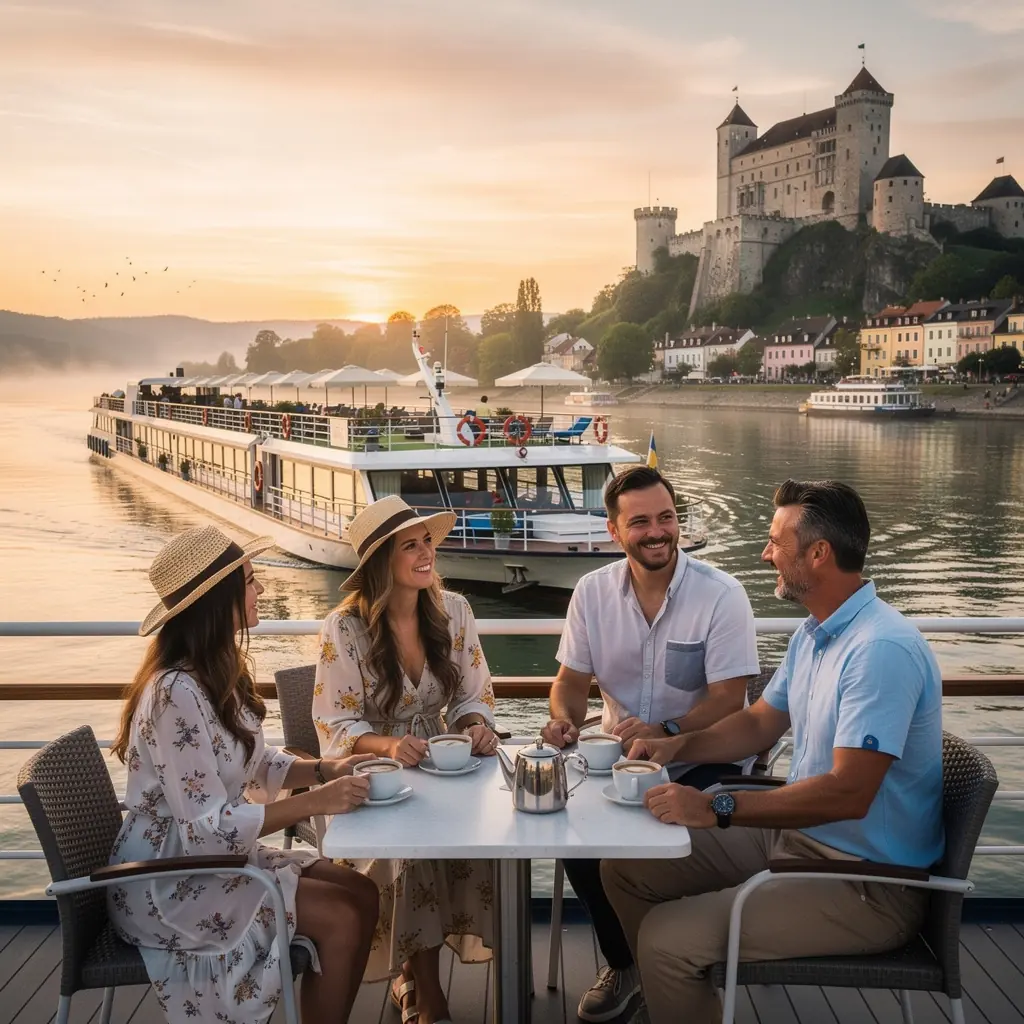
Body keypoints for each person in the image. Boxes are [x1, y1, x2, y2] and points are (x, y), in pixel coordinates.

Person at [601, 479, 944, 1024]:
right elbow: (760, 723)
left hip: (865, 883)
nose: (765, 555)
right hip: (799, 844)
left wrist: (716, 807)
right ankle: (680, 998)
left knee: (667, 940)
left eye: (775, 542)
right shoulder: (816, 634)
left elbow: (849, 792)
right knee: (625, 870)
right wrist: (676, 745)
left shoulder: (880, 650)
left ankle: (672, 973)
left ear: (818, 553)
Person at [108, 526, 379, 1024]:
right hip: (166, 882)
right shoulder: (174, 695)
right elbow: (207, 832)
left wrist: (323, 769)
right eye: (251, 581)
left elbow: (255, 764)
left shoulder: (213, 672)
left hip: (204, 862)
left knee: (362, 892)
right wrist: (320, 801)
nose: (260, 591)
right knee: (341, 916)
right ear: (218, 600)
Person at [540, 466, 759, 1022]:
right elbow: (568, 683)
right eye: (640, 522)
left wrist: (667, 731)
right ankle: (629, 964)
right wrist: (565, 720)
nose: (657, 531)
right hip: (617, 765)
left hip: (706, 764)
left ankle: (679, 963)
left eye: (667, 518)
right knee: (574, 841)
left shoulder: (722, 595)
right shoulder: (591, 592)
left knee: (666, 844)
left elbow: (731, 698)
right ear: (615, 532)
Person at [313, 496, 500, 1024]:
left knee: (485, 840)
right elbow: (335, 722)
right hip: (370, 779)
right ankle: (427, 993)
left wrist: (473, 728)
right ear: (379, 562)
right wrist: (389, 746)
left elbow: (474, 694)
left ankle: (415, 980)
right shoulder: (343, 629)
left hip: (445, 768)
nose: (425, 554)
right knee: (406, 856)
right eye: (409, 546)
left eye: (427, 543)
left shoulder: (454, 611)